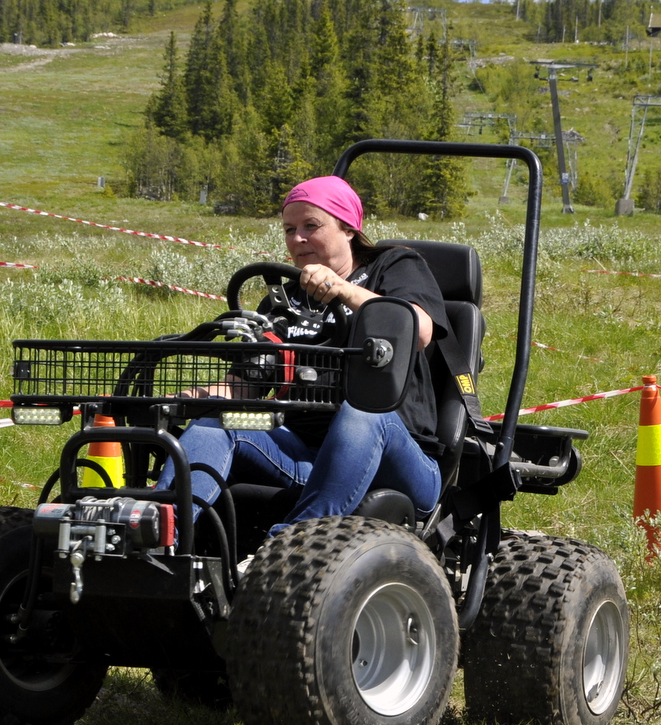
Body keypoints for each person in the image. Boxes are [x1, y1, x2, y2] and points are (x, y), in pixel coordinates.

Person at [158, 175, 449, 532]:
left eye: (312, 225)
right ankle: (162, 531)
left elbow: (418, 331)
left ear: (348, 229)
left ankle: (292, 542)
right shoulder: (284, 300)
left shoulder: (393, 266)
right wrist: (182, 400)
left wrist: (341, 289)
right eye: (289, 229)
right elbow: (242, 387)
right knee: (220, 421)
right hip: (302, 453)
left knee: (362, 413)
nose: (298, 238)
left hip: (399, 459)